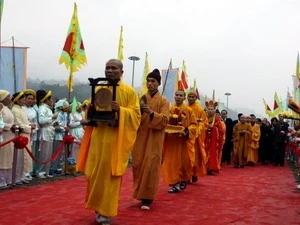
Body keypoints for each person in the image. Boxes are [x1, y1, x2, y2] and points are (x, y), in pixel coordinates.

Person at [77, 59, 141, 225]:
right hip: (98, 137)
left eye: (114, 68)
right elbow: (91, 107)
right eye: (108, 68)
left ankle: (105, 213)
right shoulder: (99, 88)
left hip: (114, 139)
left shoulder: (129, 91)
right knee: (93, 173)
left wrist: (121, 110)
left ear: (122, 71)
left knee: (109, 175)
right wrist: (88, 109)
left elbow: (136, 116)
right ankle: (98, 208)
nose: (110, 71)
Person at [132, 69, 169, 210]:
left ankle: (147, 198)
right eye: (148, 81)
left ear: (159, 83)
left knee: (151, 165)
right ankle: (140, 193)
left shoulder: (164, 101)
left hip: (154, 137)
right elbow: (134, 116)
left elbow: (165, 120)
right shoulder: (141, 98)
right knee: (138, 163)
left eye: (153, 81)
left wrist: (152, 113)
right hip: (141, 136)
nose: (150, 83)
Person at [162, 89, 197, 193]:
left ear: (184, 97)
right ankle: (175, 183)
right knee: (171, 162)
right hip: (172, 141)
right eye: (176, 95)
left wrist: (187, 130)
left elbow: (194, 124)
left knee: (184, 162)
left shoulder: (189, 110)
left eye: (180, 95)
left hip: (183, 141)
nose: (178, 97)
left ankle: (182, 179)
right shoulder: (170, 109)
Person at [11, 92, 36, 185]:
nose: (25, 101)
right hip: (21, 135)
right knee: (21, 157)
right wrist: (29, 127)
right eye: (23, 99)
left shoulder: (21, 109)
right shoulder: (15, 110)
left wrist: (30, 125)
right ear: (18, 100)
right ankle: (18, 176)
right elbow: (19, 124)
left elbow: (25, 122)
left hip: (26, 135)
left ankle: (23, 175)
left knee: (25, 157)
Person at [187, 89, 208, 182]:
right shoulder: (184, 107)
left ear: (196, 98)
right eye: (189, 96)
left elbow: (205, 123)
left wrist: (199, 124)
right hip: (186, 135)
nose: (191, 98)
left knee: (194, 156)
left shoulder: (200, 110)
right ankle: (186, 175)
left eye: (193, 97)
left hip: (195, 137)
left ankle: (194, 174)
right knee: (186, 156)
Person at [36, 90, 57, 178]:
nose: (52, 101)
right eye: (50, 99)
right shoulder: (42, 108)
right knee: (44, 153)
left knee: (48, 153)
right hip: (45, 131)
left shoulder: (48, 109)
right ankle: (40, 171)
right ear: (46, 100)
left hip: (50, 131)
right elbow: (41, 121)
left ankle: (46, 171)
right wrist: (51, 117)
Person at [204, 100, 225, 175]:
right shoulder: (204, 118)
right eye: (209, 109)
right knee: (204, 153)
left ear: (214, 110)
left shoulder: (217, 120)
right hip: (205, 139)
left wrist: (214, 128)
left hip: (213, 140)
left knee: (212, 153)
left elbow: (220, 130)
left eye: (211, 109)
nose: (210, 111)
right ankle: (204, 168)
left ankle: (210, 168)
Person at [0, 90, 14, 189]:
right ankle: (1, 180)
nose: (10, 98)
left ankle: (7, 179)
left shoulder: (8, 109)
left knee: (9, 158)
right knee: (3, 158)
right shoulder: (1, 108)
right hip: (4, 135)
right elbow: (2, 123)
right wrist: (10, 126)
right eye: (8, 96)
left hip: (10, 136)